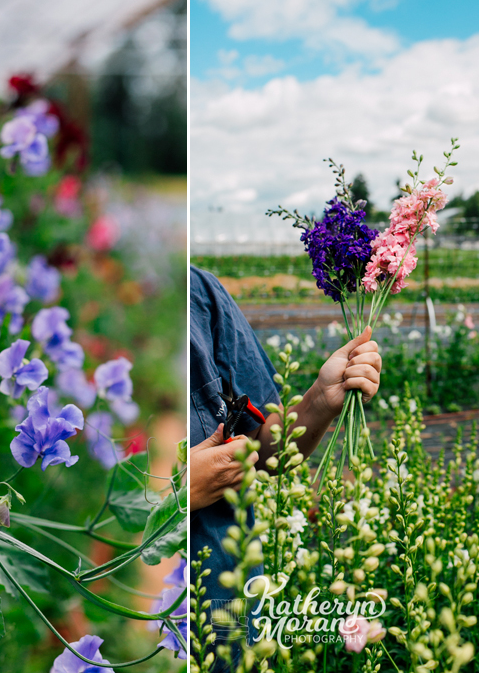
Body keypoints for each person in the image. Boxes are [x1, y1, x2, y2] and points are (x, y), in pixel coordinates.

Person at [188, 266, 382, 665]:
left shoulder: (199, 293)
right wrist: (179, 490)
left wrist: (320, 400)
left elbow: (263, 447)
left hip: (227, 610)